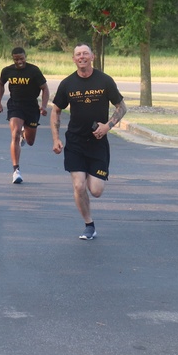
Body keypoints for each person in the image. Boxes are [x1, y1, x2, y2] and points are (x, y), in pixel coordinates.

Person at [50, 43, 127, 241]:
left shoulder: (104, 81)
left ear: (92, 56)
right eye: (78, 54)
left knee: (96, 190)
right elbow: (56, 111)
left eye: (85, 53)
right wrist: (56, 139)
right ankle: (89, 224)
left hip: (97, 143)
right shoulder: (67, 84)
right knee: (78, 185)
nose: (82, 57)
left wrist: (107, 126)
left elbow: (121, 107)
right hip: (75, 142)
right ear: (74, 59)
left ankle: (90, 219)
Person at [0, 46, 49, 185]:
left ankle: (24, 135)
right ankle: (16, 170)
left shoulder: (34, 70)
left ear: (26, 57)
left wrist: (43, 105)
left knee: (30, 142)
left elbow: (45, 88)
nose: (19, 61)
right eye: (16, 59)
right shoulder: (7, 71)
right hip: (15, 105)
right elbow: (0, 84)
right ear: (13, 59)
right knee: (15, 133)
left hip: (31, 106)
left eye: (21, 59)